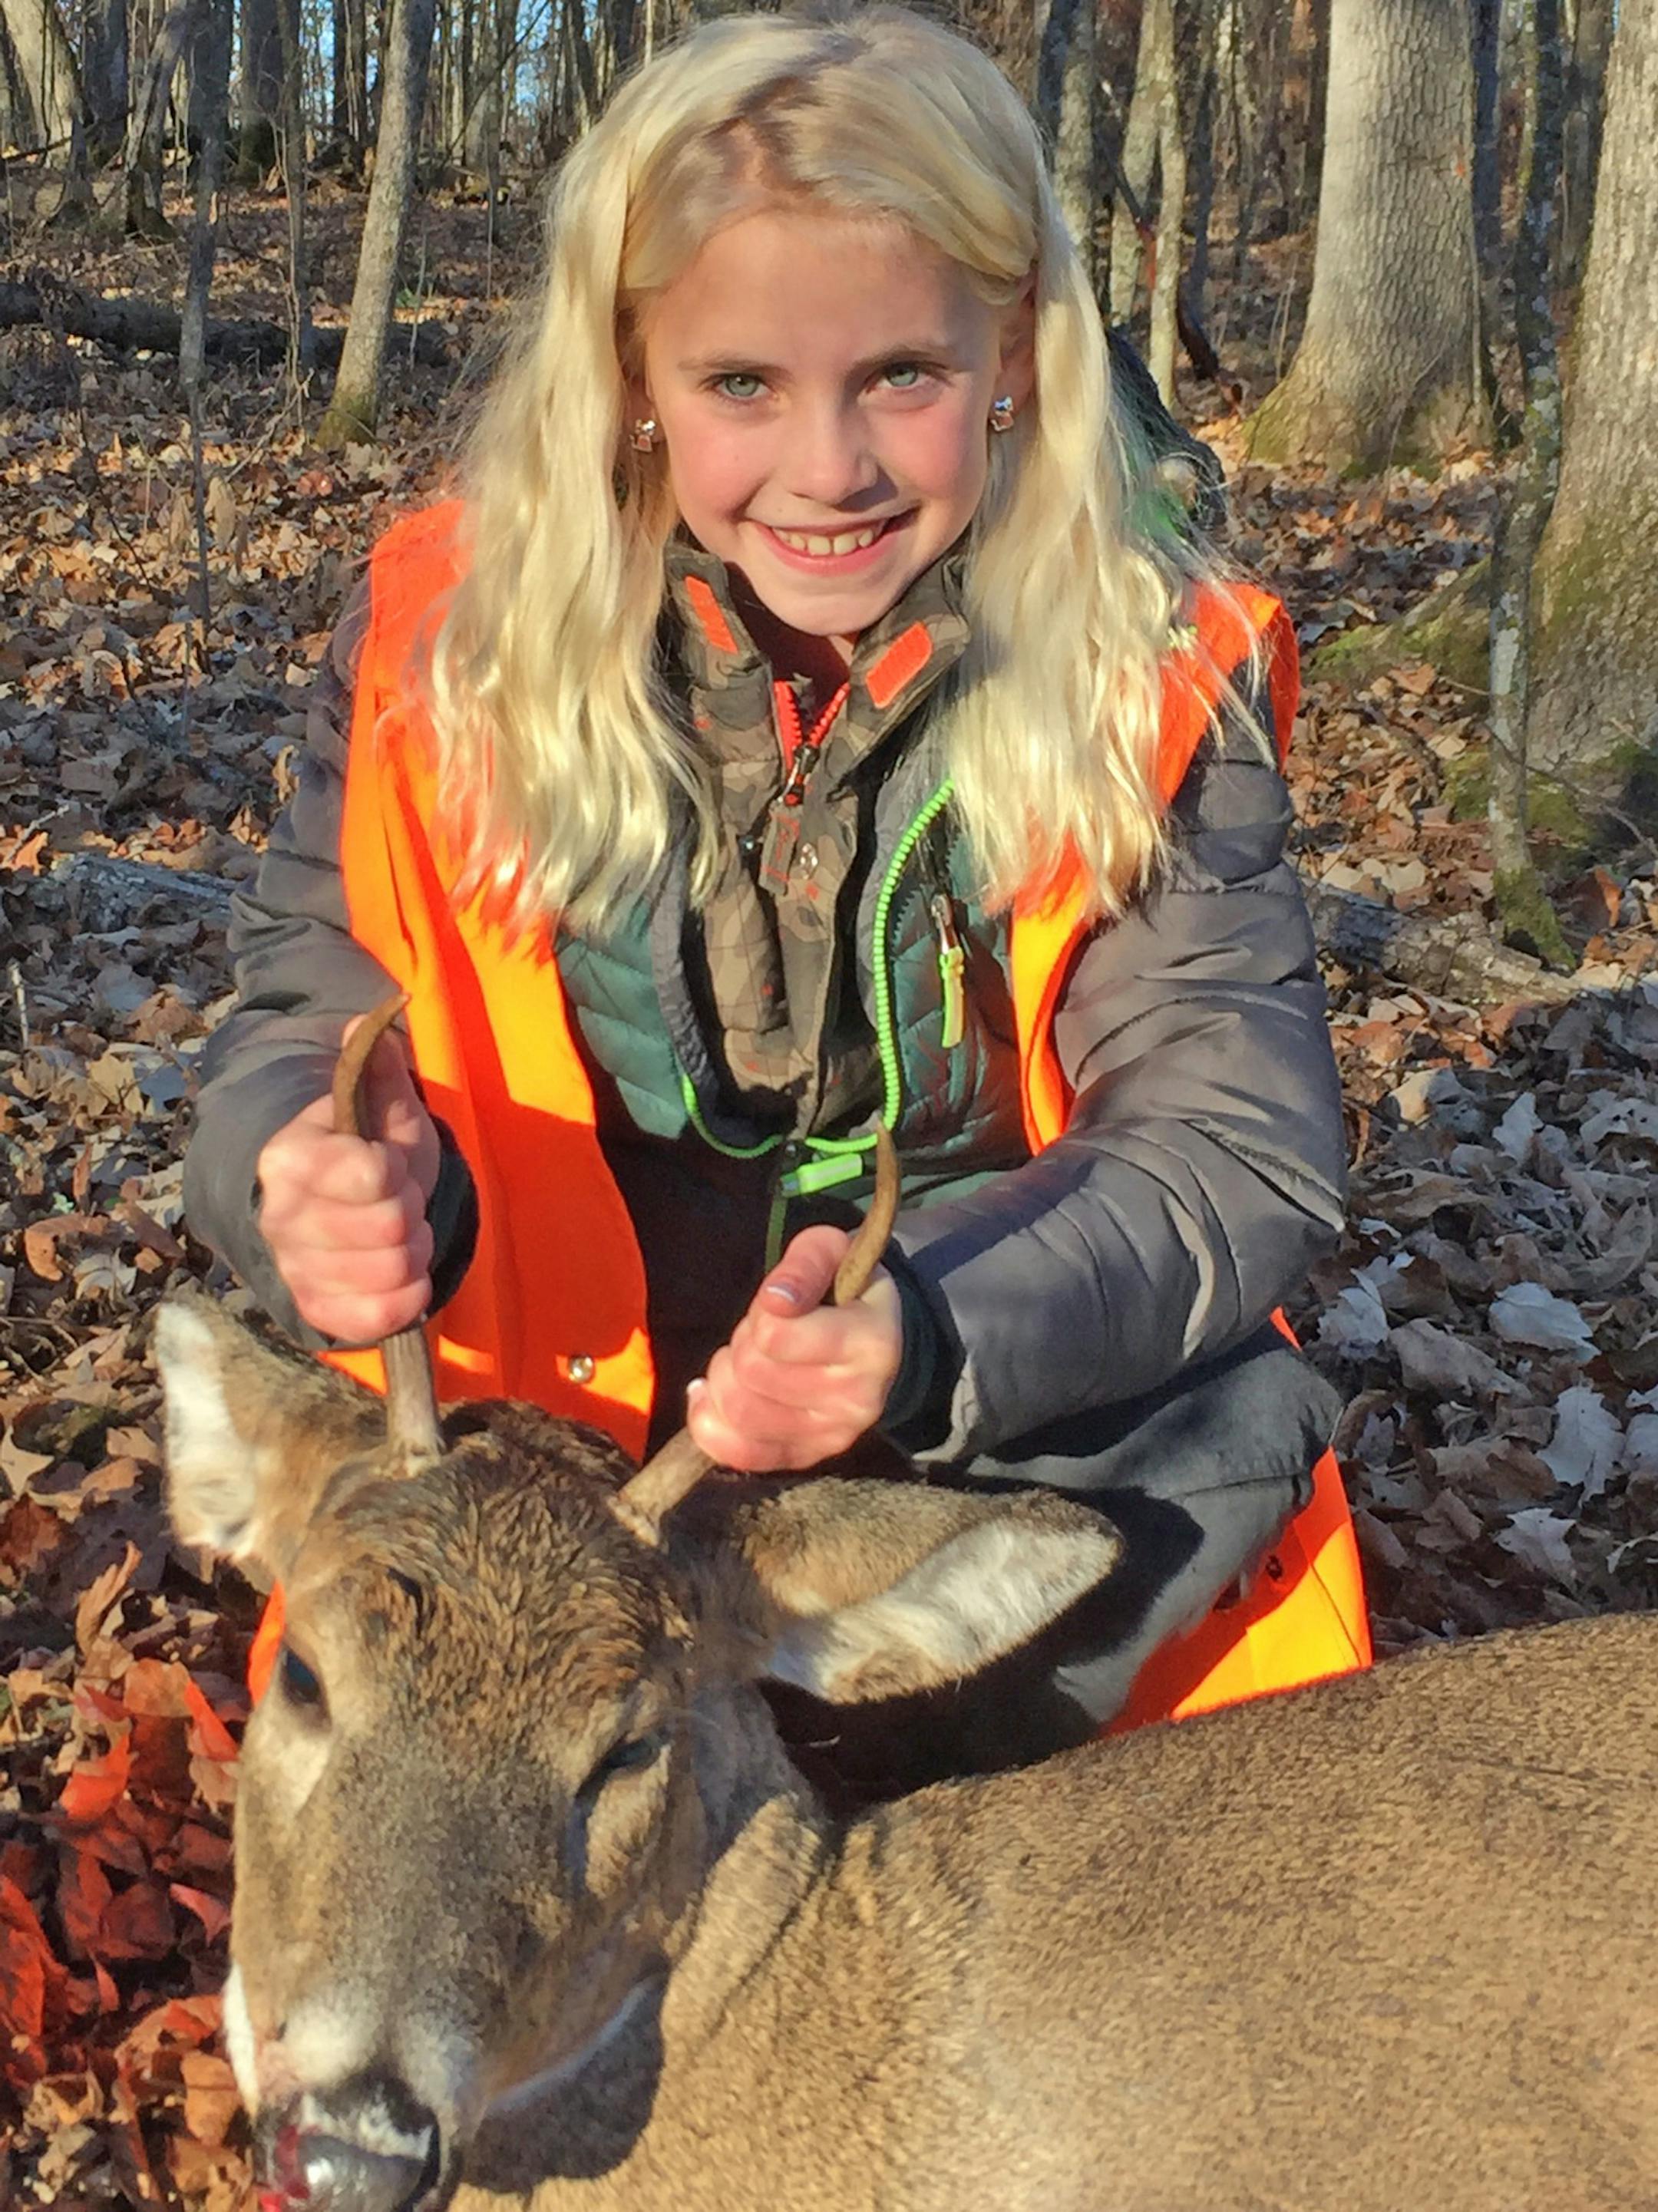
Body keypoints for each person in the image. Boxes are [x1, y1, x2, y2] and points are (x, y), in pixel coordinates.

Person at [183, 2, 1369, 1790]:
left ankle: (876, 1792)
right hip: (549, 1420)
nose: (830, 470)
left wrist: (923, 1329)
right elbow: (306, 1007)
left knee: (1224, 1431)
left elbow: (1230, 1143)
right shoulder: (448, 640)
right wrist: (309, 1172)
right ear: (632, 377)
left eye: (900, 375)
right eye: (742, 384)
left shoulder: (1155, 667)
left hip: (934, 1397)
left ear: (1012, 357)